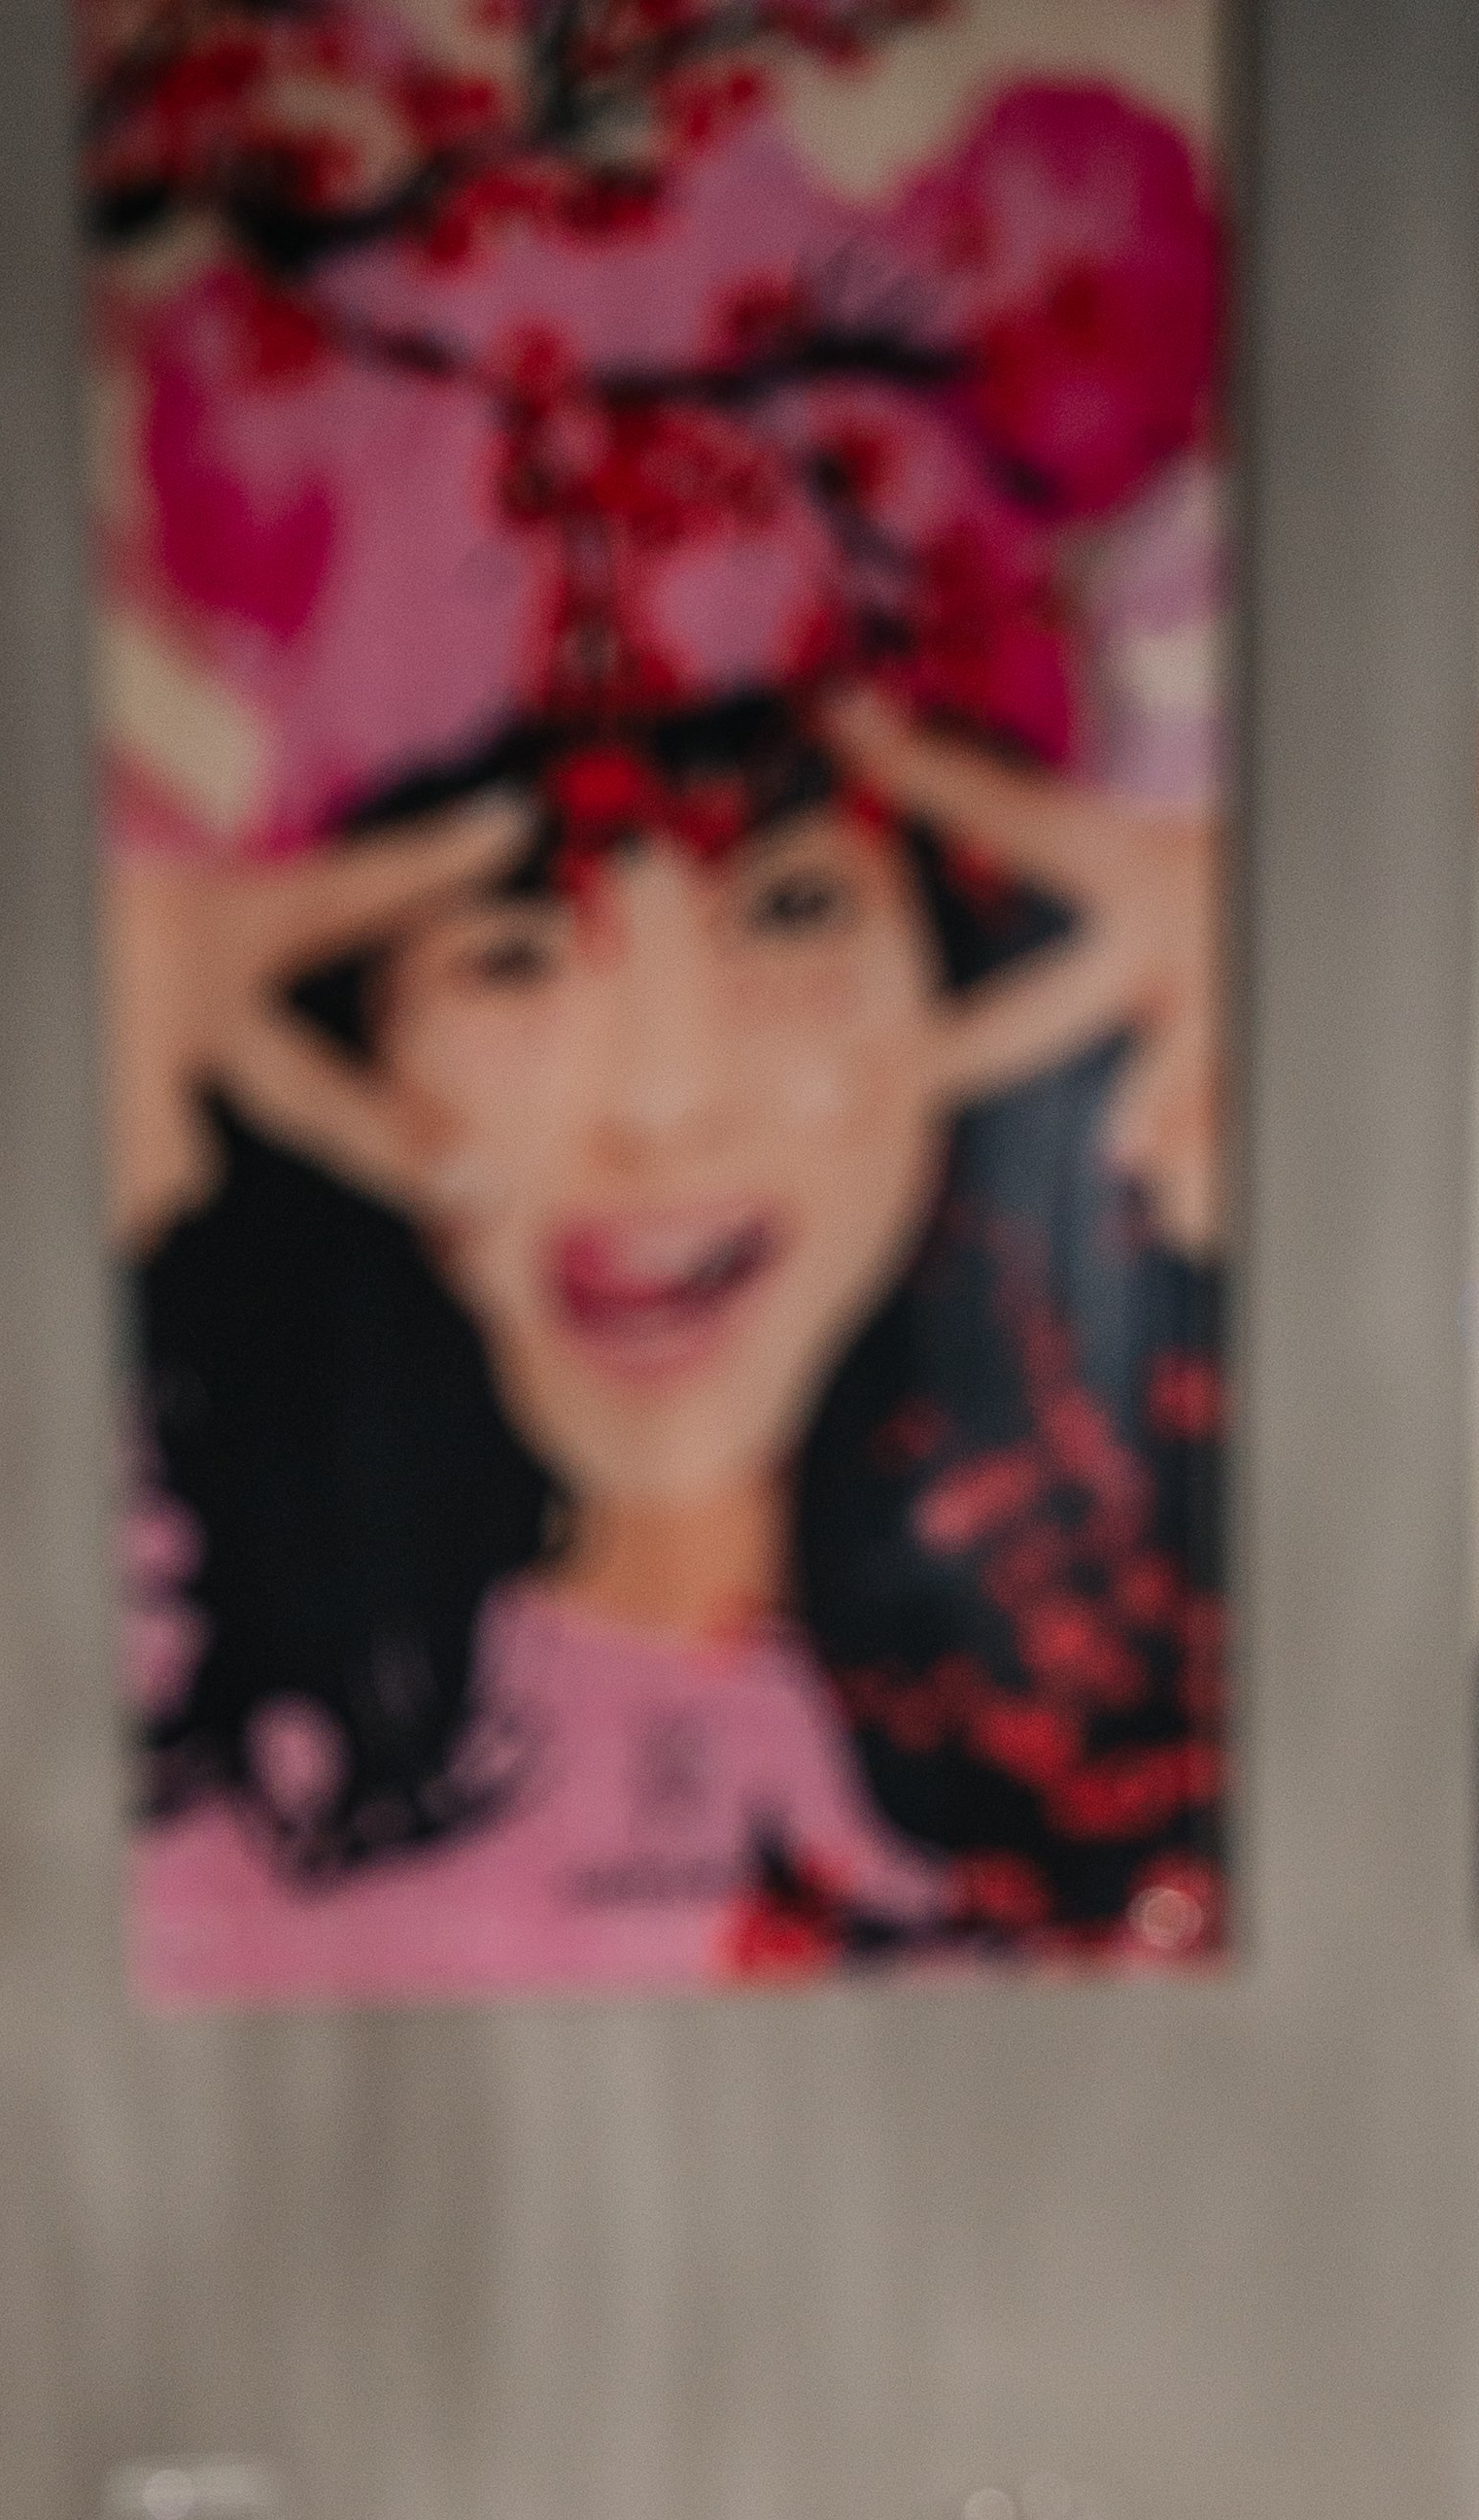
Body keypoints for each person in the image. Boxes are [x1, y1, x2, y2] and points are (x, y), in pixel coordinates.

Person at [91, 22, 1229, 1998]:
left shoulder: (1181, 1643)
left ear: (961, 948)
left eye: (787, 909)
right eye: (512, 949)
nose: (660, 1105)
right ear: (346, 1013)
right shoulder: (187, 1676)